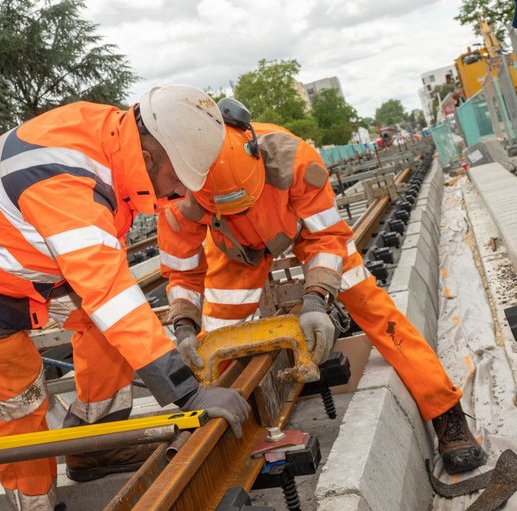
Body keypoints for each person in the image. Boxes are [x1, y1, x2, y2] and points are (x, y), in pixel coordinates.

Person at [0, 84, 251, 511]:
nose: (181, 192)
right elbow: (109, 291)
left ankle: (94, 447)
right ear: (154, 155)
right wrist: (188, 393)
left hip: (31, 252)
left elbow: (106, 286)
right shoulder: (65, 180)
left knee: (108, 330)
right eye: (181, 179)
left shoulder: (114, 140)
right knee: (18, 401)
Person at [158, 98, 486, 475]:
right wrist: (184, 323)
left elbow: (328, 236)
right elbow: (182, 273)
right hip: (235, 251)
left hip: (307, 231)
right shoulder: (179, 193)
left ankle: (446, 413)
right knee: (217, 340)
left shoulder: (293, 159)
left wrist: (316, 300)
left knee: (373, 307)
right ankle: (224, 433)